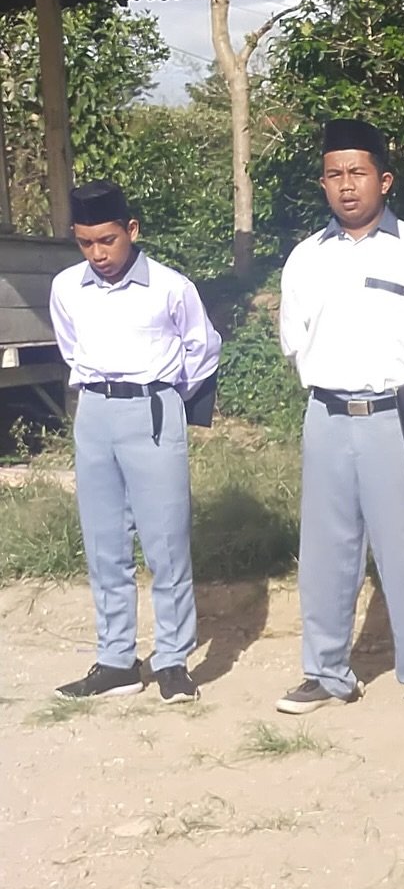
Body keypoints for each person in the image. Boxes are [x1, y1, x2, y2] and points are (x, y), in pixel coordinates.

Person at [277, 118, 404, 719]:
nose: (346, 185)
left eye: (357, 172)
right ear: (323, 183)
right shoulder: (305, 258)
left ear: (383, 180)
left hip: (399, 417)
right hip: (327, 417)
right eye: (334, 174)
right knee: (326, 552)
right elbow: (293, 339)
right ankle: (326, 673)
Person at [49, 180, 221, 703]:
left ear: (131, 230)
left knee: (165, 543)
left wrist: (166, 397)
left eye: (108, 240)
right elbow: (70, 347)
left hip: (152, 409)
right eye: (86, 243)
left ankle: (172, 660)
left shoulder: (170, 287)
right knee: (104, 543)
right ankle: (116, 660)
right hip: (94, 412)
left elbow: (202, 348)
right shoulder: (66, 287)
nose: (98, 254)